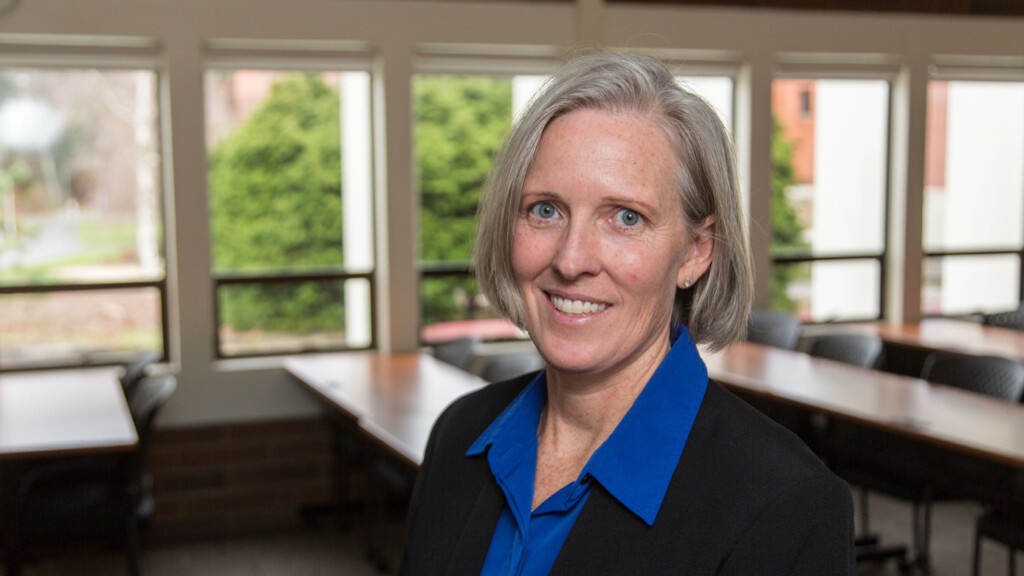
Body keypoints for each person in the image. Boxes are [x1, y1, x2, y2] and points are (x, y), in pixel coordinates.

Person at [400, 49, 855, 575]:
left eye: (626, 218)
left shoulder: (788, 506)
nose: (571, 260)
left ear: (695, 251)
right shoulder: (459, 435)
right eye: (544, 210)